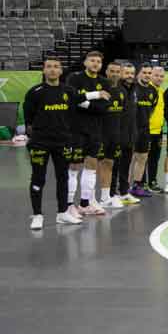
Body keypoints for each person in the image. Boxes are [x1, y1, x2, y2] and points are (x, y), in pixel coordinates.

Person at [24, 57, 109, 229]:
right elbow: (29, 120)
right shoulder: (35, 92)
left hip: (62, 142)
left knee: (63, 177)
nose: (53, 70)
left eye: (56, 67)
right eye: (49, 67)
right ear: (44, 70)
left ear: (61, 71)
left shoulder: (68, 91)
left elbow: (79, 98)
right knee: (38, 178)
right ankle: (38, 215)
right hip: (40, 143)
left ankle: (62, 213)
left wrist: (97, 94)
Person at [66, 51, 112, 215]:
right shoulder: (74, 78)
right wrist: (96, 99)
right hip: (76, 129)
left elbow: (105, 107)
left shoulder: (104, 82)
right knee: (74, 166)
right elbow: (71, 99)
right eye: (92, 60)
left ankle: (85, 204)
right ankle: (69, 204)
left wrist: (86, 104)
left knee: (91, 165)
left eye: (98, 61)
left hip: (95, 130)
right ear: (85, 62)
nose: (95, 64)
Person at [97, 61, 126, 209]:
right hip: (100, 134)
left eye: (117, 71)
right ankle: (89, 199)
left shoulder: (122, 91)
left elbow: (123, 114)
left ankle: (105, 197)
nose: (114, 74)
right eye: (112, 71)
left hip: (115, 135)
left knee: (109, 164)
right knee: (98, 165)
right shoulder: (100, 89)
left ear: (120, 73)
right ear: (106, 72)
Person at [111, 62, 140, 205]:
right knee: (114, 165)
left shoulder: (134, 90)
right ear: (120, 73)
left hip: (130, 135)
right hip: (116, 134)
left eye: (132, 73)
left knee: (125, 165)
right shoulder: (115, 89)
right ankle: (111, 194)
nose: (130, 76)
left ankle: (123, 192)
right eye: (127, 73)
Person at [129, 64, 158, 198]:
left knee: (142, 157)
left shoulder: (153, 91)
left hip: (145, 129)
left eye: (149, 73)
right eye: (144, 72)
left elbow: (151, 111)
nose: (147, 75)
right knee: (129, 158)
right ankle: (123, 187)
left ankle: (136, 186)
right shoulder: (132, 88)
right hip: (130, 128)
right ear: (139, 74)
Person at [145, 66, 165, 193]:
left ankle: (152, 182)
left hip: (158, 131)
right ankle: (139, 184)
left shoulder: (161, 92)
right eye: (156, 75)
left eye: (161, 76)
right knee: (141, 159)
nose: (159, 78)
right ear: (151, 76)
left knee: (154, 158)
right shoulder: (147, 90)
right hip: (146, 131)